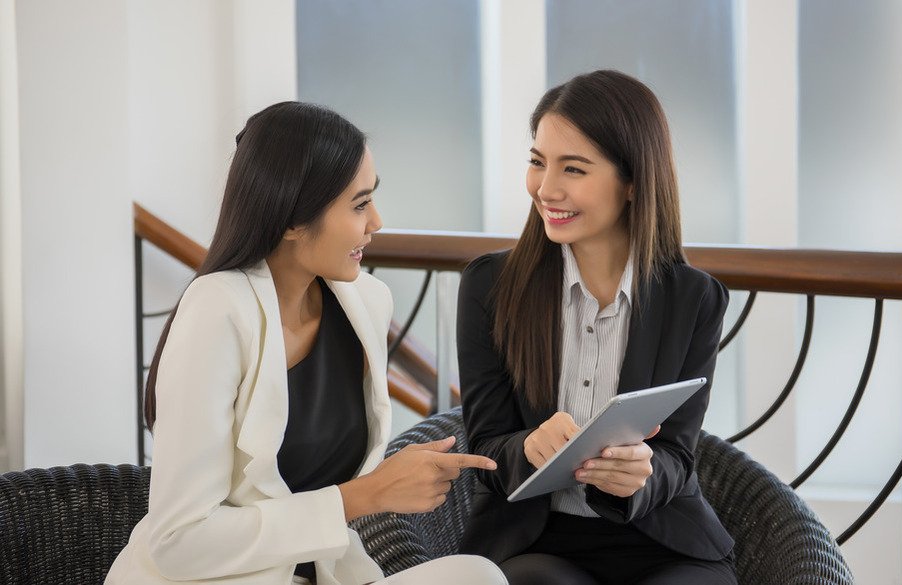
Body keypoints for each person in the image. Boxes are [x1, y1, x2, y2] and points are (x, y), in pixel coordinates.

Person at [105, 102, 507, 585]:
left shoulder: (365, 303)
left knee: (478, 575)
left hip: (323, 575)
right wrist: (367, 495)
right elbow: (178, 543)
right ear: (292, 220)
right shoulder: (217, 310)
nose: (376, 221)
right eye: (359, 205)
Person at [456, 70, 737, 585]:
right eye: (538, 162)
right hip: (535, 540)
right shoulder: (490, 286)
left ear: (632, 184)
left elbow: (678, 453)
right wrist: (527, 449)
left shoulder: (693, 298)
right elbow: (487, 446)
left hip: (662, 540)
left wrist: (641, 474)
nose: (546, 188)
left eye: (574, 169)